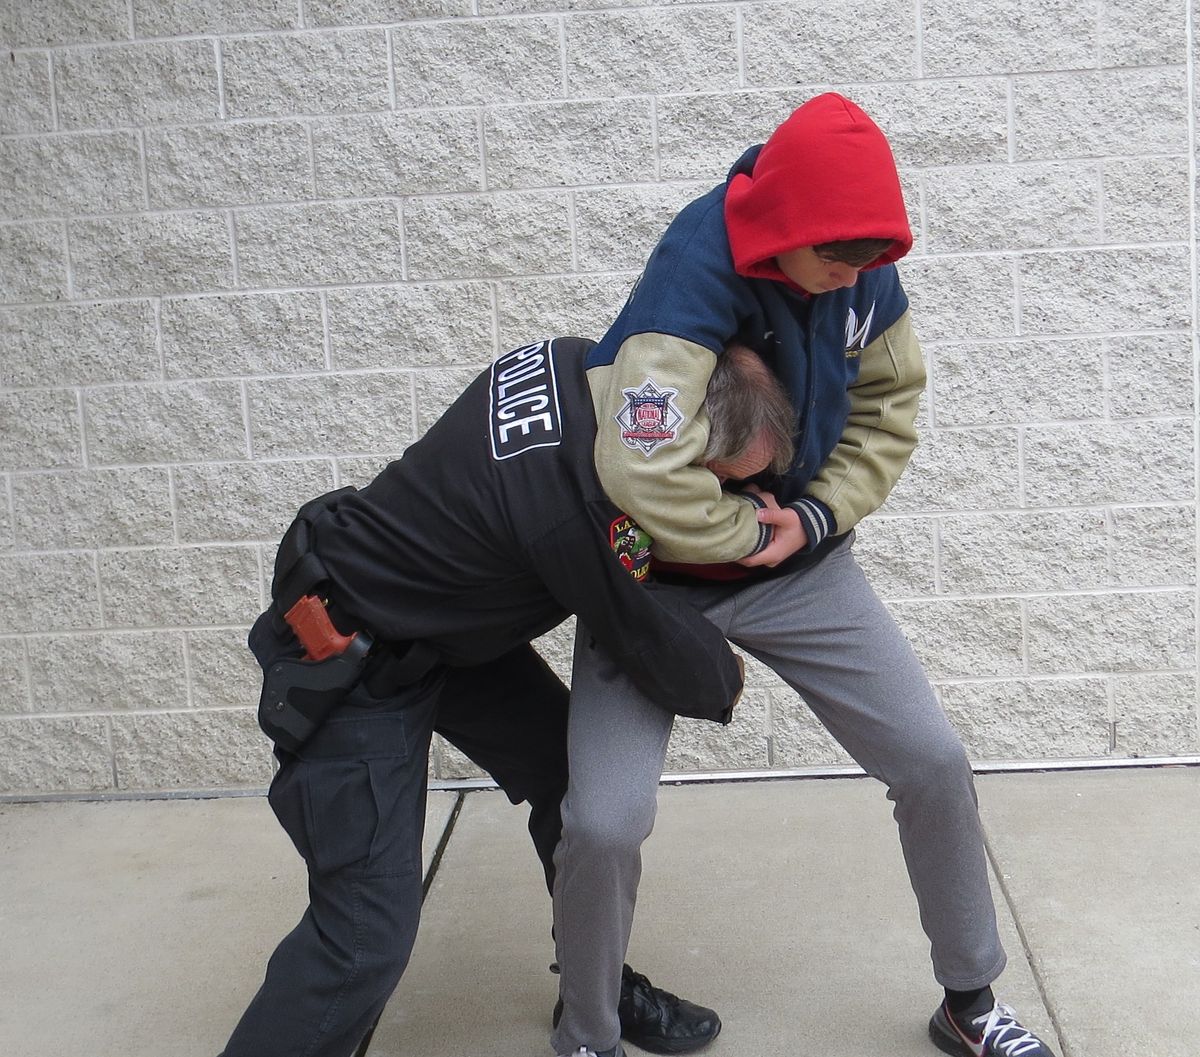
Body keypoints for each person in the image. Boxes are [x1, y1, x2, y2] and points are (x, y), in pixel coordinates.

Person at [549, 94, 1058, 1057]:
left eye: (873, 256)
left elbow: (888, 408)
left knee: (933, 759)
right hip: (650, 574)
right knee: (606, 821)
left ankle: (971, 1000)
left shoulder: (862, 278)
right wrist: (744, 527)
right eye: (838, 255)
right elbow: (636, 463)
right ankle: (587, 1036)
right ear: (784, 228)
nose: (855, 273)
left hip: (795, 558)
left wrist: (815, 518)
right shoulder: (690, 278)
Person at [219, 337, 793, 1057]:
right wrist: (729, 669)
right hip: (352, 661)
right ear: (678, 442)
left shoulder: (577, 366)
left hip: (436, 632)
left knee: (577, 790)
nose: (718, 497)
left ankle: (594, 987)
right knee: (363, 939)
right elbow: (664, 649)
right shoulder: (584, 508)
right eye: (717, 479)